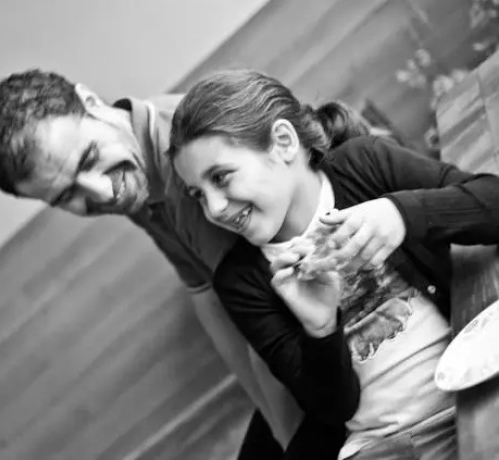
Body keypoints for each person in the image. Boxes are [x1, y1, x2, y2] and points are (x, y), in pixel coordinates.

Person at [0, 69, 303, 457]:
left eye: (89, 158)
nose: (102, 192)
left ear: (92, 102)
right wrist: (275, 423)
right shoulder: (133, 166)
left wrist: (290, 439)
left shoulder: (182, 157)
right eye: (66, 196)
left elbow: (263, 321)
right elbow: (208, 296)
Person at [167, 69, 499, 459]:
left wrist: (401, 214)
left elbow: (491, 200)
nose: (214, 208)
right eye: (198, 195)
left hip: (475, 393)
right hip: (385, 448)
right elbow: (332, 408)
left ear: (283, 142)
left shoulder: (365, 163)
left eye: (221, 178)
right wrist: (320, 329)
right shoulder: (240, 281)